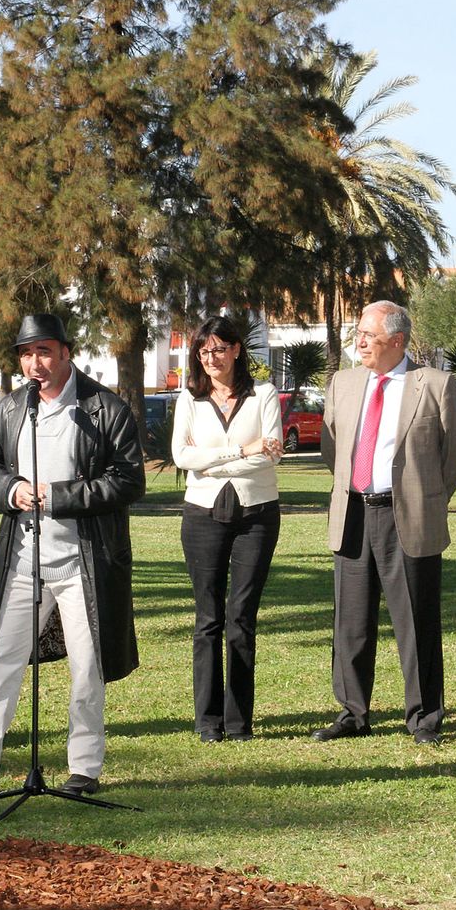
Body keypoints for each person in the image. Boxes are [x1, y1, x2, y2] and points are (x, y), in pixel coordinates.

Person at [0, 314, 145, 797]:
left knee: (87, 665)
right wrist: (11, 491)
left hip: (85, 561)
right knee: (1, 661)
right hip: (22, 559)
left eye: (45, 352)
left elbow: (128, 480)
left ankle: (84, 768)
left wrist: (59, 496)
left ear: (66, 353)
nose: (36, 363)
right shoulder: (13, 408)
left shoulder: (104, 408)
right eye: (27, 354)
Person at [312, 300, 456, 745]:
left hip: (410, 516)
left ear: (397, 341)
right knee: (351, 621)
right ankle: (352, 712)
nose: (358, 342)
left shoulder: (435, 385)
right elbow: (332, 448)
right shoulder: (342, 383)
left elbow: (453, 457)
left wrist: (426, 500)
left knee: (416, 621)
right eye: (357, 333)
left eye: (368, 335)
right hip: (354, 513)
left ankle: (423, 718)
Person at [171, 315, 283, 743]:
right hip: (202, 514)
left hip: (256, 513)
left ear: (237, 349)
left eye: (219, 348)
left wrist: (215, 457)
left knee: (242, 617)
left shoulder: (264, 393)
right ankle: (207, 721)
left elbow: (269, 455)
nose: (211, 358)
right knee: (208, 618)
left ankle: (238, 722)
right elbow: (182, 456)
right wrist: (242, 448)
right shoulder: (190, 398)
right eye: (203, 351)